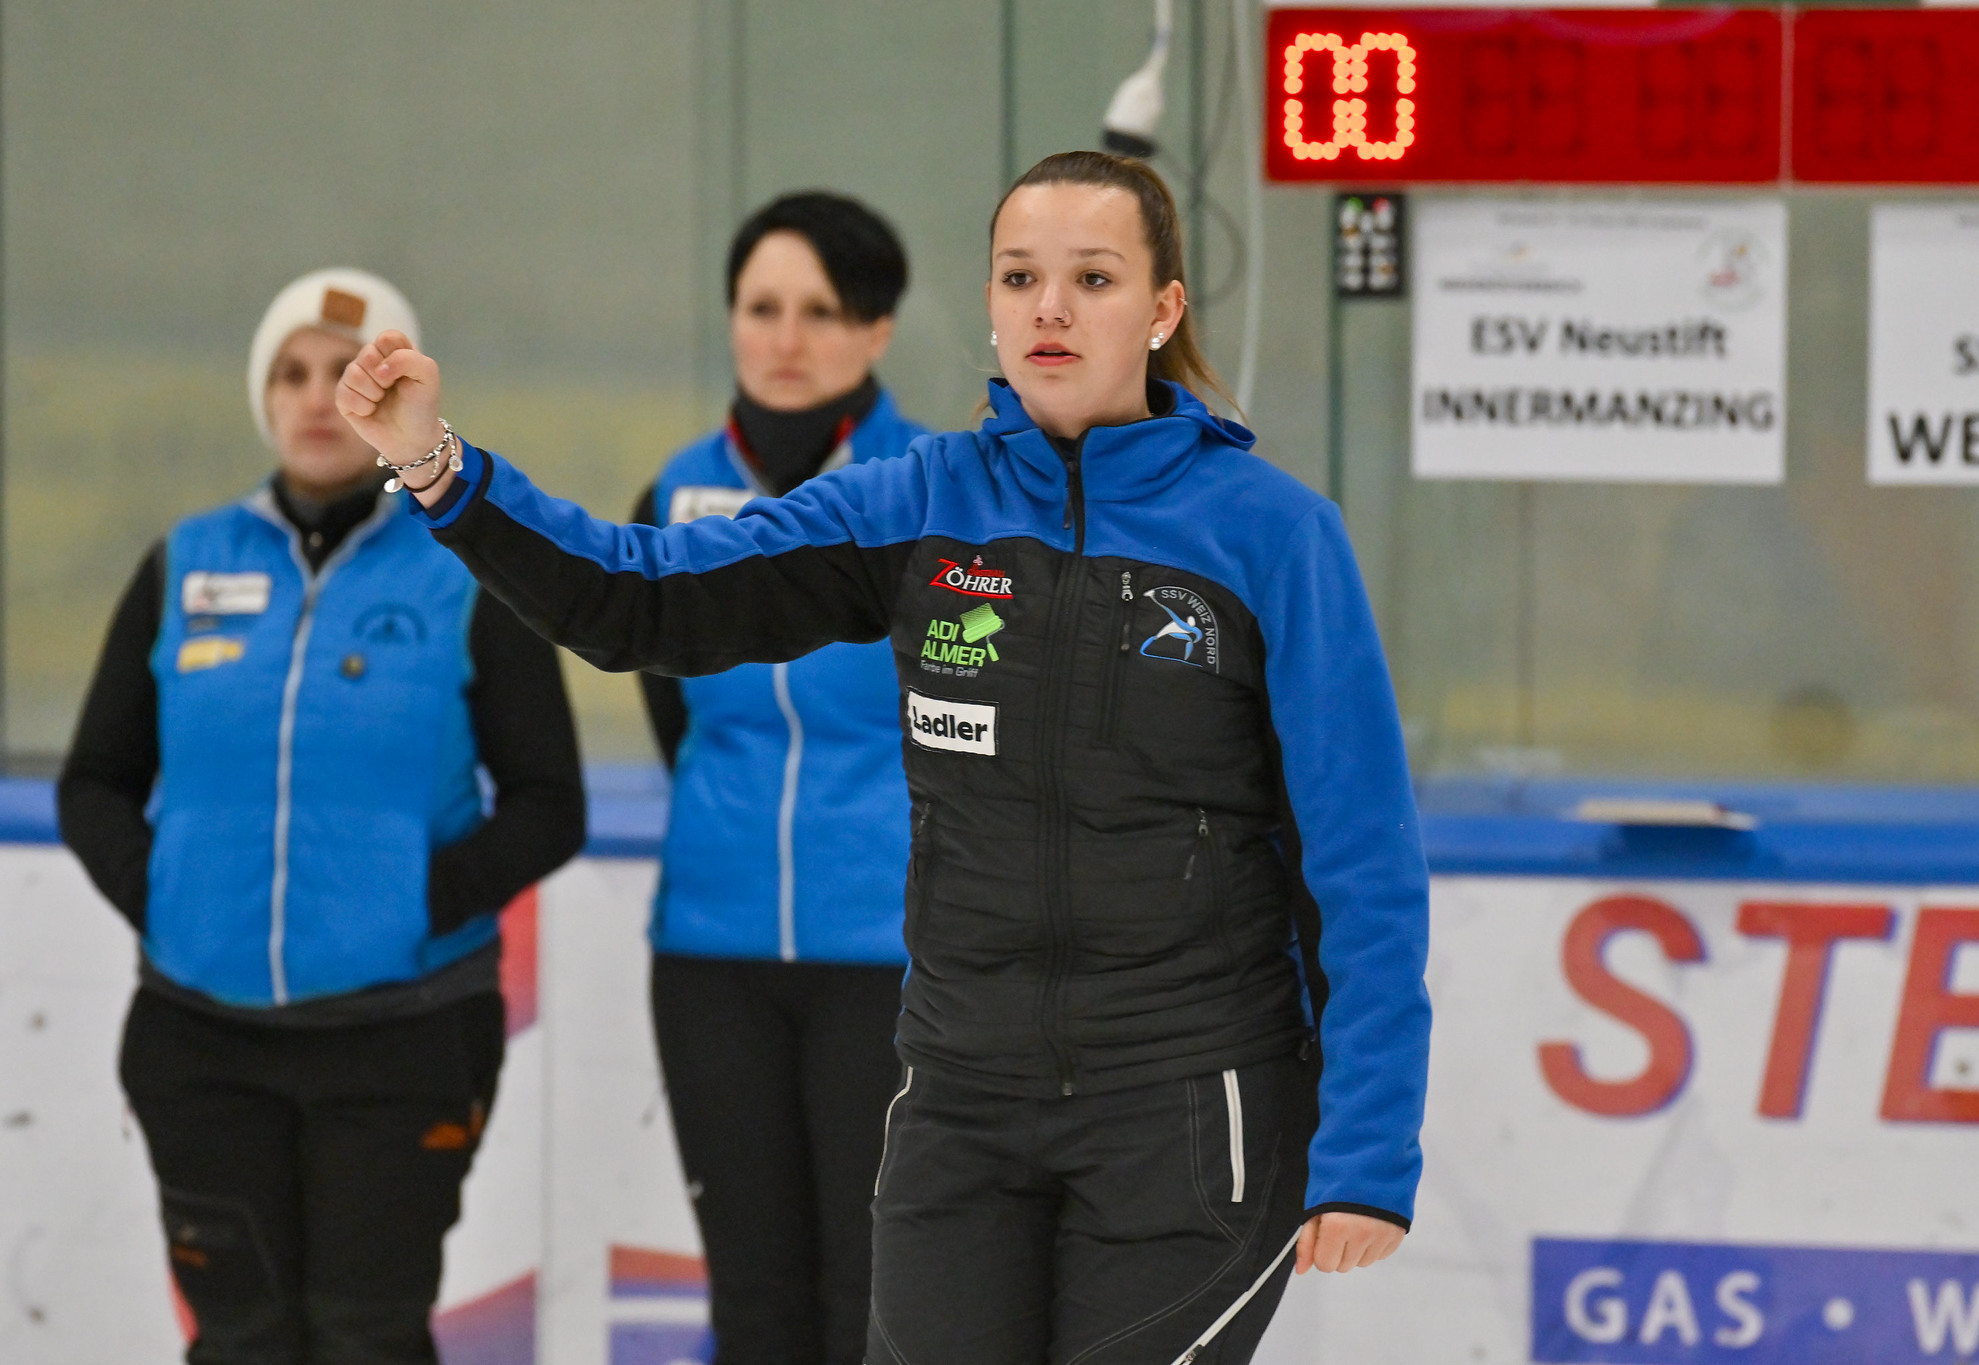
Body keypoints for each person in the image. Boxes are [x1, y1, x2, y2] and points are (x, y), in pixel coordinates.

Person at [338, 150, 1429, 1365]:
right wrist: (438, 468)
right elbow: (639, 600)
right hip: (960, 1107)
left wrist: (1367, 1148)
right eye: (1020, 277)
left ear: (1162, 308)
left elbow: (1360, 857)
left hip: (1190, 1111)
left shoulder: (1271, 532)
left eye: (1092, 277)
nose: (1049, 309)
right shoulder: (914, 502)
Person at [59, 267, 585, 1364]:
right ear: (263, 394)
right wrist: (168, 897)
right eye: (291, 373)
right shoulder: (185, 564)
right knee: (241, 1335)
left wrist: (414, 904)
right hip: (201, 1039)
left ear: (399, 394)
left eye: (344, 373)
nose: (315, 397)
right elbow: (94, 781)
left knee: (367, 1333)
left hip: (403, 1039)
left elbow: (549, 805)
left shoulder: (471, 571)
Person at [630, 192, 924, 1365]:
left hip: (892, 957)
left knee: (876, 1293)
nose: (785, 338)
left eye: (820, 310)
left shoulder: (933, 491)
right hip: (713, 953)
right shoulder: (674, 494)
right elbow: (669, 699)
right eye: (761, 307)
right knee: (751, 1301)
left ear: (878, 331)